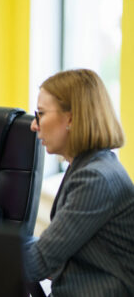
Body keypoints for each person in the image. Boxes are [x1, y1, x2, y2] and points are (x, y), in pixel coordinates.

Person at [24, 69, 134, 296]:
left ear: (71, 118)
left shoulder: (95, 178)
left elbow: (40, 260)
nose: (34, 125)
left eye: (41, 114)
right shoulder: (88, 165)